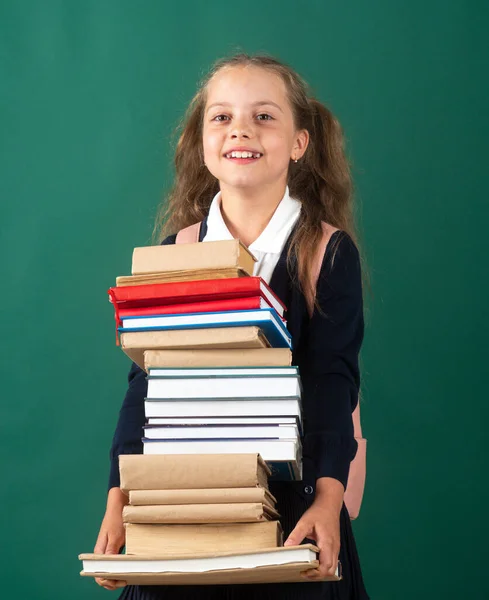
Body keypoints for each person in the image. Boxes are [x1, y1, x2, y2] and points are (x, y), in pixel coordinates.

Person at [93, 53, 369, 599]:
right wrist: (120, 499)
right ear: (201, 141)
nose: (240, 128)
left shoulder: (326, 252)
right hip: (181, 499)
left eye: (264, 116)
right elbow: (145, 386)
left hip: (293, 499)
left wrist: (327, 501)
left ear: (299, 143)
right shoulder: (177, 251)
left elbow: (332, 384)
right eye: (221, 117)